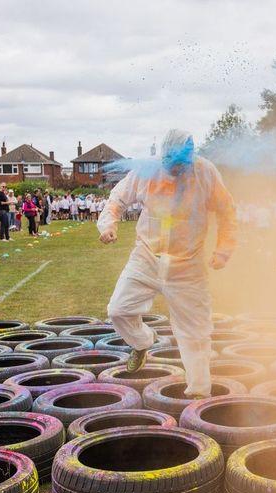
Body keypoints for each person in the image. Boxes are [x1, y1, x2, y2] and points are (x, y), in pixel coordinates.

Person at [98, 129, 237, 398]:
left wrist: (223, 249)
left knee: (195, 332)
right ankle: (141, 342)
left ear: (190, 158)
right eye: (170, 164)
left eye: (180, 166)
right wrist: (108, 225)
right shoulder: (146, 171)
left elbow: (227, 211)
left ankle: (199, 392)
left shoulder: (206, 172)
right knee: (118, 309)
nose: (175, 170)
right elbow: (117, 199)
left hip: (188, 265)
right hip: (147, 257)